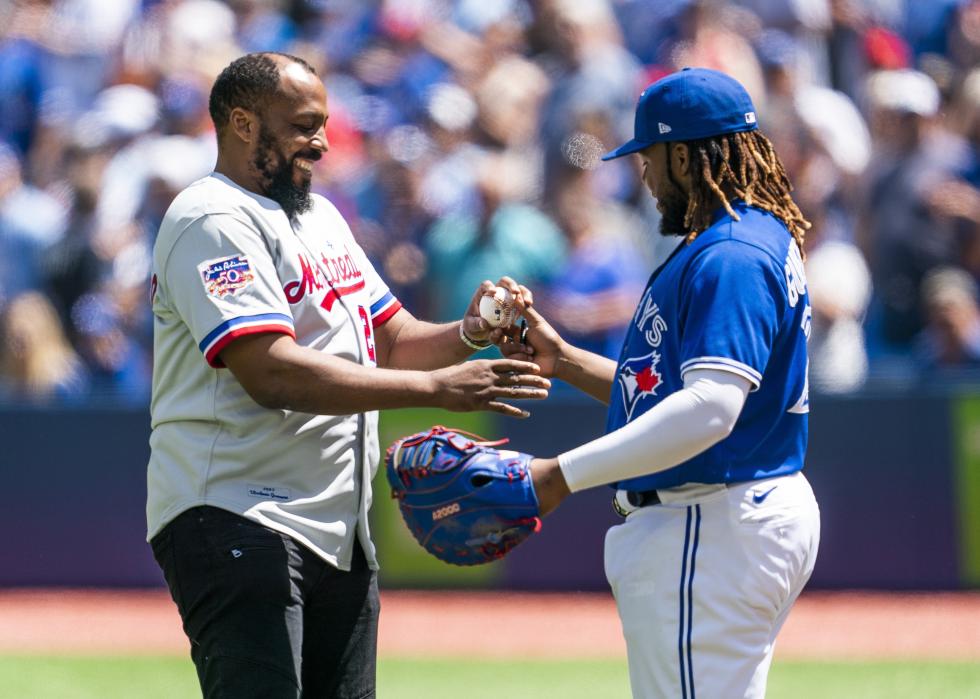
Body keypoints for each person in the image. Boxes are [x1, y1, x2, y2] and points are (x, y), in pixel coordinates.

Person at [146, 52, 550, 699]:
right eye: (305, 124)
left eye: (324, 123)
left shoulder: (321, 218)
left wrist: (470, 331)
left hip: (338, 527)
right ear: (243, 123)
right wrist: (437, 391)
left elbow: (391, 339)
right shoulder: (213, 216)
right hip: (236, 510)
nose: (323, 141)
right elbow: (268, 370)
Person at [503, 68, 821, 698]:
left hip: (711, 517)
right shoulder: (745, 238)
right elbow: (673, 396)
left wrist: (558, 474)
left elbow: (709, 410)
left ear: (682, 153)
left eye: (647, 156)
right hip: (728, 514)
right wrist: (565, 360)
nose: (641, 174)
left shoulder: (730, 255)